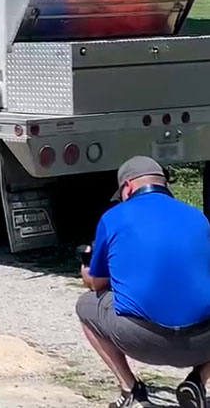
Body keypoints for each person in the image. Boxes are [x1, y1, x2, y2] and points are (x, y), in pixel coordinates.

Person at [77, 156, 210, 408]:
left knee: (85, 305)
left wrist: (86, 269)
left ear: (127, 187)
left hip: (144, 341)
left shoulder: (113, 217)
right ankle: (198, 379)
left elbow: (97, 283)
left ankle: (132, 391)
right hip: (203, 343)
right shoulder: (198, 217)